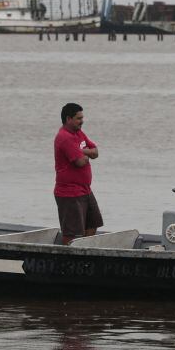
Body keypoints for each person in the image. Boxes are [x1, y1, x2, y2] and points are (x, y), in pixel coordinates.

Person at [53, 102, 103, 245]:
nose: (82, 121)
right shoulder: (64, 137)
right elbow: (80, 162)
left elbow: (96, 152)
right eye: (79, 118)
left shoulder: (78, 133)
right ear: (69, 119)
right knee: (72, 234)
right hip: (69, 193)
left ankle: (85, 256)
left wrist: (82, 151)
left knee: (93, 224)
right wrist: (87, 154)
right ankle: (68, 260)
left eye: (82, 117)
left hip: (85, 190)